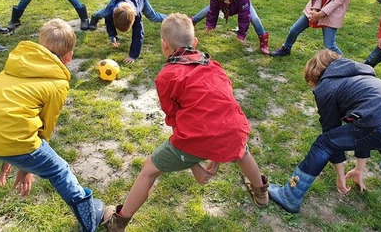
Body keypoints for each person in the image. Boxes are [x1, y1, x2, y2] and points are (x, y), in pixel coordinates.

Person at [103, 13, 269, 231]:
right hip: (233, 130)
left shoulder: (166, 76)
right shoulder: (214, 65)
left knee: (149, 169)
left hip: (199, 137)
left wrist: (194, 164)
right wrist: (209, 161)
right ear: (195, 42)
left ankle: (118, 222)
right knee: (242, 151)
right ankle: (261, 193)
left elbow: (175, 122)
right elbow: (223, 113)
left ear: (164, 45)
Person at [0, 19, 105, 231]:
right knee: (59, 171)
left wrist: (20, 163)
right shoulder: (58, 83)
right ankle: (89, 218)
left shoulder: (16, 63)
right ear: (69, 57)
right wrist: (27, 167)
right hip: (15, 140)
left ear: (39, 44)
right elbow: (46, 126)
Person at [268, 49, 381, 213]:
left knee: (324, 143)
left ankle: (290, 195)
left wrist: (340, 177)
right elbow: (364, 129)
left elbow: (330, 134)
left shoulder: (326, 87)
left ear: (314, 74)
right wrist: (359, 170)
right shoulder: (362, 75)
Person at [191, 0, 270, 55]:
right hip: (223, 4)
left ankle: (263, 42)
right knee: (207, 9)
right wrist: (210, 25)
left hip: (240, 6)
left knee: (255, 19)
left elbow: (244, 16)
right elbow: (213, 9)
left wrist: (241, 35)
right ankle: (191, 22)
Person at [88, 0, 167, 64]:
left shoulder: (137, 15)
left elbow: (138, 35)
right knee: (104, 13)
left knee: (154, 17)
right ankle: (95, 16)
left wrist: (133, 55)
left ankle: (171, 19)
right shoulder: (112, 11)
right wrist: (112, 36)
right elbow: (108, 22)